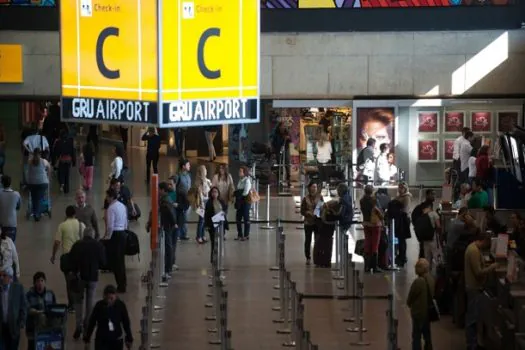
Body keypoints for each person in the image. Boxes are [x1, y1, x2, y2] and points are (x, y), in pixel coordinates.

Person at [69, 227, 106, 339]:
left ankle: (78, 324)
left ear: (83, 235)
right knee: (90, 302)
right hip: (93, 277)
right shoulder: (98, 245)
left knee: (78, 301)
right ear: (93, 235)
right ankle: (87, 325)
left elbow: (71, 261)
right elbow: (103, 262)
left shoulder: (77, 245)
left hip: (79, 277)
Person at [464, 231, 499, 350]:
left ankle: (473, 343)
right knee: (472, 319)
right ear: (483, 241)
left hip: (474, 287)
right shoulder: (473, 251)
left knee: (474, 317)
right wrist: (491, 268)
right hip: (474, 288)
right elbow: (478, 272)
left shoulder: (473, 248)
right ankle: (471, 345)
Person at [51, 205, 85, 311]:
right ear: (75, 214)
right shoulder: (81, 225)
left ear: (66, 214)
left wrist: (53, 255)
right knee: (79, 279)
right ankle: (79, 300)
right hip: (79, 257)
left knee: (69, 282)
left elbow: (57, 242)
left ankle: (72, 305)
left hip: (67, 257)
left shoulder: (62, 225)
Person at [83, 285, 133, 350]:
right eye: (107, 298)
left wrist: (129, 338)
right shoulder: (99, 306)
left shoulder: (120, 306)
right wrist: (87, 339)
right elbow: (92, 322)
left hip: (116, 340)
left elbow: (126, 322)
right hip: (102, 340)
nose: (109, 301)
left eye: (111, 298)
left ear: (116, 296)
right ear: (104, 296)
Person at [147, 182, 177, 279]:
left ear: (163, 190)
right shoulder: (165, 199)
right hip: (166, 225)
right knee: (167, 246)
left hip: (167, 226)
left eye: (159, 189)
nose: (158, 191)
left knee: (168, 247)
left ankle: (168, 268)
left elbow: (169, 212)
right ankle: (166, 267)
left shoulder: (165, 201)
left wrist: (173, 223)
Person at [407, 258, 435, 350]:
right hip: (427, 312)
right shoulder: (431, 279)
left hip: (418, 313)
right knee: (427, 335)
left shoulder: (418, 282)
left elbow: (411, 297)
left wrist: (409, 303)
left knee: (416, 336)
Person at [104, 189, 128, 293]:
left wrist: (107, 237)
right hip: (123, 233)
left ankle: (120, 285)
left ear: (111, 197)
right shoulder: (122, 205)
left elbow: (110, 225)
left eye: (107, 196)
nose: (106, 199)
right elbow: (126, 220)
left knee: (116, 261)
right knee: (121, 260)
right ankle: (123, 282)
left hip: (115, 235)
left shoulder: (111, 208)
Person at [26, 271, 57, 350]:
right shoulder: (29, 295)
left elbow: (54, 308)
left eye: (42, 281)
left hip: (48, 327)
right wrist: (38, 312)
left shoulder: (50, 294)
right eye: (37, 281)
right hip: (33, 328)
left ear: (45, 282)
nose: (40, 283)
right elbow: (27, 309)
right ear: (34, 283)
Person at [0, 266, 26, 350]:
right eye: (0, 275)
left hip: (14, 327)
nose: (1, 277)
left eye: (4, 276)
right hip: (2, 327)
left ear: (10, 277)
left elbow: (24, 306)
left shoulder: (18, 288)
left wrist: (21, 322)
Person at [360, 185, 384, 273]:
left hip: (366, 224)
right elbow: (380, 211)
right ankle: (374, 267)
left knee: (367, 243)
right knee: (375, 245)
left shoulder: (362, 201)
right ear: (372, 191)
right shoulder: (374, 200)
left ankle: (366, 266)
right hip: (375, 225)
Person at [414, 202, 441, 272]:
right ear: (429, 207)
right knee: (436, 255)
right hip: (433, 238)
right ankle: (438, 273)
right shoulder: (434, 214)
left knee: (427, 257)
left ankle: (427, 272)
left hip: (425, 239)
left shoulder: (422, 216)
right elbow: (438, 226)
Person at [300, 182, 322, 265]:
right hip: (308, 222)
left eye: (315, 187)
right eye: (313, 187)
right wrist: (307, 213)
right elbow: (302, 211)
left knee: (317, 240)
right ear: (309, 188)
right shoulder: (305, 199)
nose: (314, 188)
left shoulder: (320, 197)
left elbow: (321, 208)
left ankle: (317, 257)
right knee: (308, 240)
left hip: (317, 222)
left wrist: (316, 214)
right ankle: (308, 257)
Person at [25, 148, 51, 221]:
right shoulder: (44, 161)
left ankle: (35, 212)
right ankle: (37, 214)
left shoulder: (30, 161)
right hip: (42, 183)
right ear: (40, 154)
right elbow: (49, 168)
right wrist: (48, 177)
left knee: (34, 198)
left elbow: (28, 172)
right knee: (40, 198)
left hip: (31, 183)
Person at [204, 187, 228, 263]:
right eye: (213, 192)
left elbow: (225, 210)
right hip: (212, 225)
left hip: (220, 224)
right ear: (211, 193)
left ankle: (220, 258)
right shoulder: (209, 202)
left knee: (220, 241)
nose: (214, 194)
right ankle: (213, 259)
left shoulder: (221, 201)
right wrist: (207, 225)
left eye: (216, 192)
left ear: (218, 193)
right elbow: (206, 215)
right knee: (213, 242)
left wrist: (224, 213)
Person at [315, 199, 340, 268]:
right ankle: (326, 263)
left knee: (319, 247)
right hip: (329, 232)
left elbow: (316, 216)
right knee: (327, 248)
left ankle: (318, 262)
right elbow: (337, 217)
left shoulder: (321, 207)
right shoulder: (333, 213)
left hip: (321, 231)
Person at [412, 189, 436, 259]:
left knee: (423, 247)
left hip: (421, 229)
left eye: (434, 194)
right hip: (422, 230)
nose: (434, 196)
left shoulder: (429, 205)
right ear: (427, 195)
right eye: (432, 194)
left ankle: (422, 263)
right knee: (423, 248)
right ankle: (422, 264)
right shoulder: (425, 206)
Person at [392, 182, 412, 267]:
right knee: (398, 239)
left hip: (403, 220)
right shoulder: (399, 196)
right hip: (398, 219)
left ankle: (402, 256)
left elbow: (405, 210)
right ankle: (399, 254)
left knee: (402, 239)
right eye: (399, 188)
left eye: (402, 188)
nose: (400, 189)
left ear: (405, 188)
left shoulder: (406, 197)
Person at [53, 128, 76, 193]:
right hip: (68, 160)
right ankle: (66, 189)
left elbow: (55, 152)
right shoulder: (70, 142)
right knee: (67, 174)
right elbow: (73, 152)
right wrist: (74, 161)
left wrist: (54, 161)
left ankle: (62, 183)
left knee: (60, 173)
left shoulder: (58, 142)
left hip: (62, 160)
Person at [0, 175, 21, 242]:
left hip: (1, 223)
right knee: (11, 244)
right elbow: (18, 207)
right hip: (12, 224)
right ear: (10, 183)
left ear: (2, 183)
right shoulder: (16, 194)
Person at [271, 122, 292, 187]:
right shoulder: (276, 133)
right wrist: (274, 152)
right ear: (279, 127)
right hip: (278, 151)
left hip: (286, 150)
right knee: (279, 166)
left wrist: (288, 138)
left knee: (287, 165)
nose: (283, 127)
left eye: (284, 126)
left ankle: (288, 181)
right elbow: (274, 143)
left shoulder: (287, 132)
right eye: (282, 126)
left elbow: (290, 140)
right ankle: (279, 181)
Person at [175, 159, 192, 240]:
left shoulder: (188, 175)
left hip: (187, 200)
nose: (189, 166)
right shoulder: (178, 176)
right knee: (180, 217)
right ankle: (178, 234)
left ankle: (184, 234)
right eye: (188, 165)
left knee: (186, 217)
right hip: (180, 200)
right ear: (183, 166)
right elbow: (174, 188)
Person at [194, 165, 211, 244]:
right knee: (201, 220)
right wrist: (202, 204)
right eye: (204, 170)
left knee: (204, 220)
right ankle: (199, 236)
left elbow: (209, 189)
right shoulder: (199, 182)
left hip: (206, 201)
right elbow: (201, 193)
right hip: (201, 202)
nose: (206, 171)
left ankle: (203, 235)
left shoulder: (206, 180)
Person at [235, 166, 252, 241]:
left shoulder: (247, 180)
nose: (239, 172)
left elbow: (245, 192)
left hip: (245, 201)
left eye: (240, 171)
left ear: (244, 173)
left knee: (246, 218)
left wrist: (238, 194)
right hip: (240, 201)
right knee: (238, 218)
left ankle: (246, 235)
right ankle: (239, 234)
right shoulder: (240, 180)